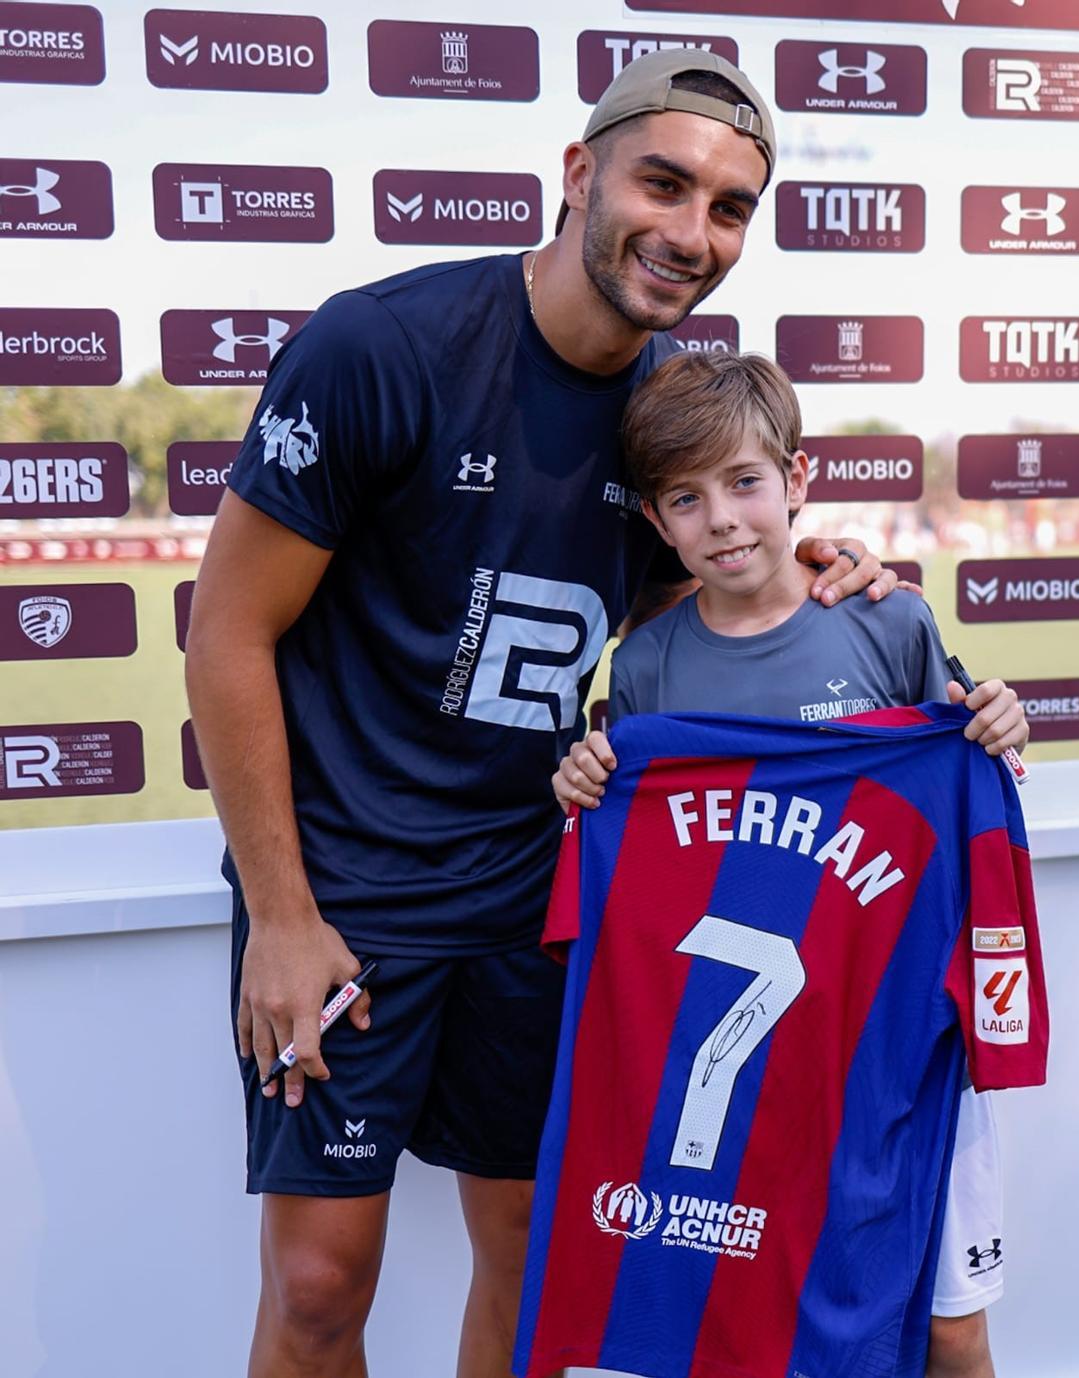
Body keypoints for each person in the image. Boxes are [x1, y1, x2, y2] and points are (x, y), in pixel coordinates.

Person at [185, 50, 908, 1378]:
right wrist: (283, 916)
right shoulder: (382, 345)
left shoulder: (668, 419)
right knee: (315, 1287)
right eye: (666, 183)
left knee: (529, 1252)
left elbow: (701, 595)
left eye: (732, 208)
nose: (694, 233)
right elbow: (227, 629)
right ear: (580, 173)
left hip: (537, 883)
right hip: (349, 886)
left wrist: (814, 568)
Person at [551, 351, 1031, 1378]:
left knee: (949, 1324)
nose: (721, 518)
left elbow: (961, 784)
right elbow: (637, 876)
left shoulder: (887, 620)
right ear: (656, 521)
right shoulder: (645, 669)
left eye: (744, 483)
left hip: (891, 1047)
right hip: (746, 1075)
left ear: (798, 482)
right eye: (686, 497)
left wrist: (998, 724)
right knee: (755, 1319)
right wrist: (587, 783)